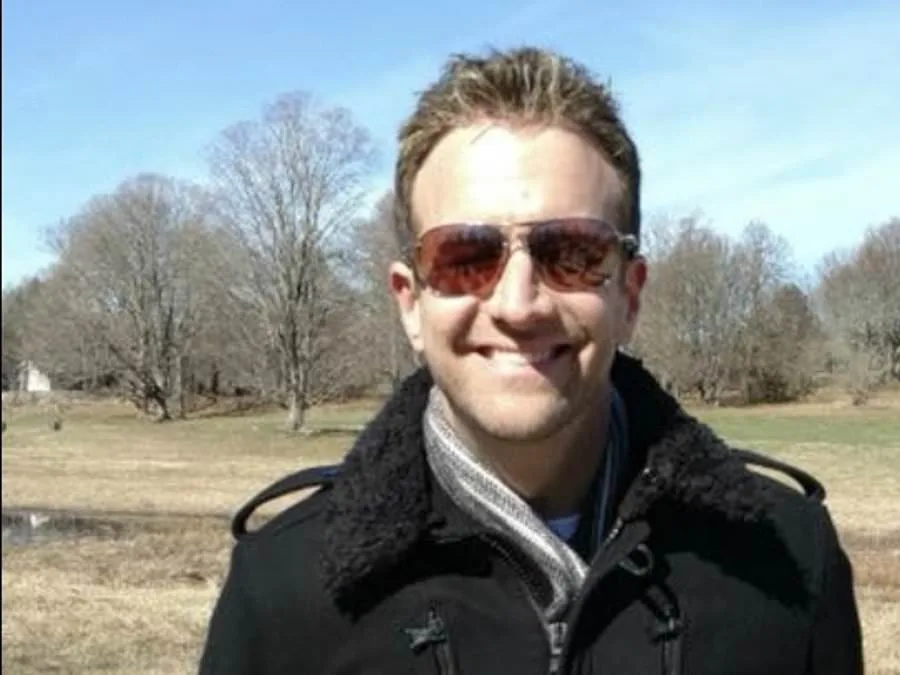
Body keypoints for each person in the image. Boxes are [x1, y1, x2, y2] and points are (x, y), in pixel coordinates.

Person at [198, 46, 864, 674]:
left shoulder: (786, 556)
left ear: (629, 294)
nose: (518, 305)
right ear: (410, 301)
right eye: (465, 257)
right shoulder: (282, 589)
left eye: (572, 253)